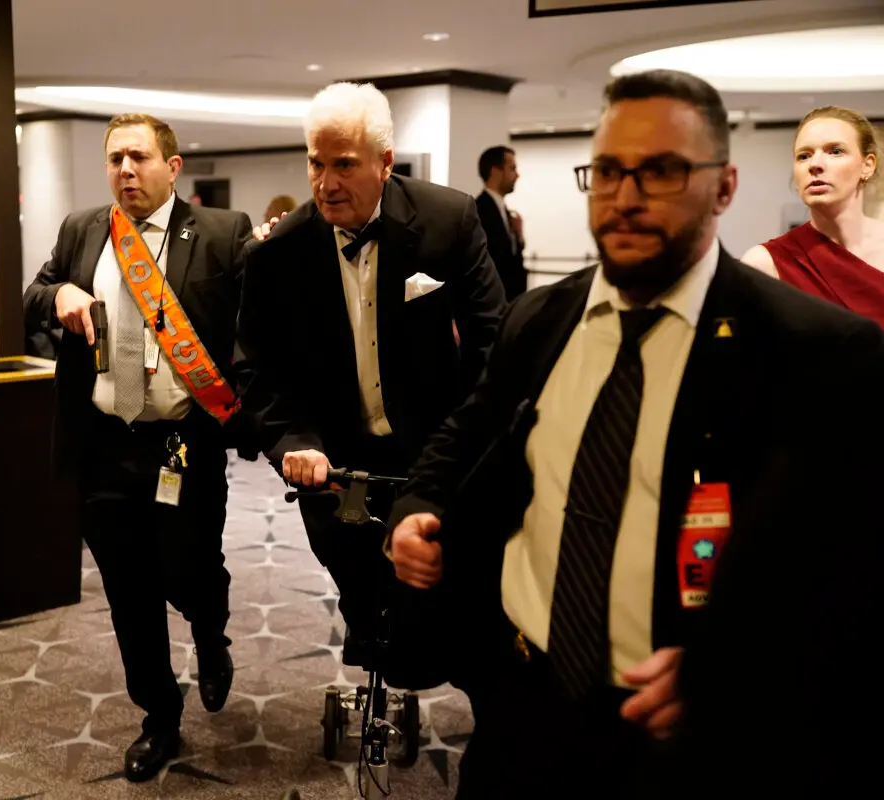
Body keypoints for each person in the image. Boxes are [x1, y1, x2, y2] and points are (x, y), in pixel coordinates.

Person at [387, 69, 884, 798]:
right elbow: (468, 433)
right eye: (609, 171)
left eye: (661, 170)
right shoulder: (540, 319)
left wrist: (736, 664)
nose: (626, 196)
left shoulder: (812, 347)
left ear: (723, 186)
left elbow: (851, 569)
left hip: (680, 730)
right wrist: (416, 506)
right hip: (519, 691)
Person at [236, 81, 507, 672]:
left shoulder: (449, 219)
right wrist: (292, 441)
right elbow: (255, 367)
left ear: (385, 163)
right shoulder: (276, 253)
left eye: (345, 165)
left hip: (433, 451)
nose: (326, 183)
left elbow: (494, 346)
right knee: (357, 584)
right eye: (316, 163)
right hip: (332, 460)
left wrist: (468, 446)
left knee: (432, 600)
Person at [24, 113, 253, 782]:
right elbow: (33, 294)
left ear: (172, 167)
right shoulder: (82, 229)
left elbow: (257, 324)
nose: (125, 170)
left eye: (139, 157)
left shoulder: (219, 233)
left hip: (182, 442)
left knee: (189, 568)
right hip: (103, 441)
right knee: (128, 590)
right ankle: (160, 717)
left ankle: (210, 636)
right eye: (115, 159)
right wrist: (58, 292)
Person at [740, 106, 883, 326]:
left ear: (868, 165)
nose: (815, 165)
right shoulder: (766, 264)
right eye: (804, 156)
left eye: (835, 151)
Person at [476, 145, 527, 299]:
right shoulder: (478, 210)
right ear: (495, 171)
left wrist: (518, 236)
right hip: (493, 302)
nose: (517, 175)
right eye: (512, 168)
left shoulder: (504, 210)